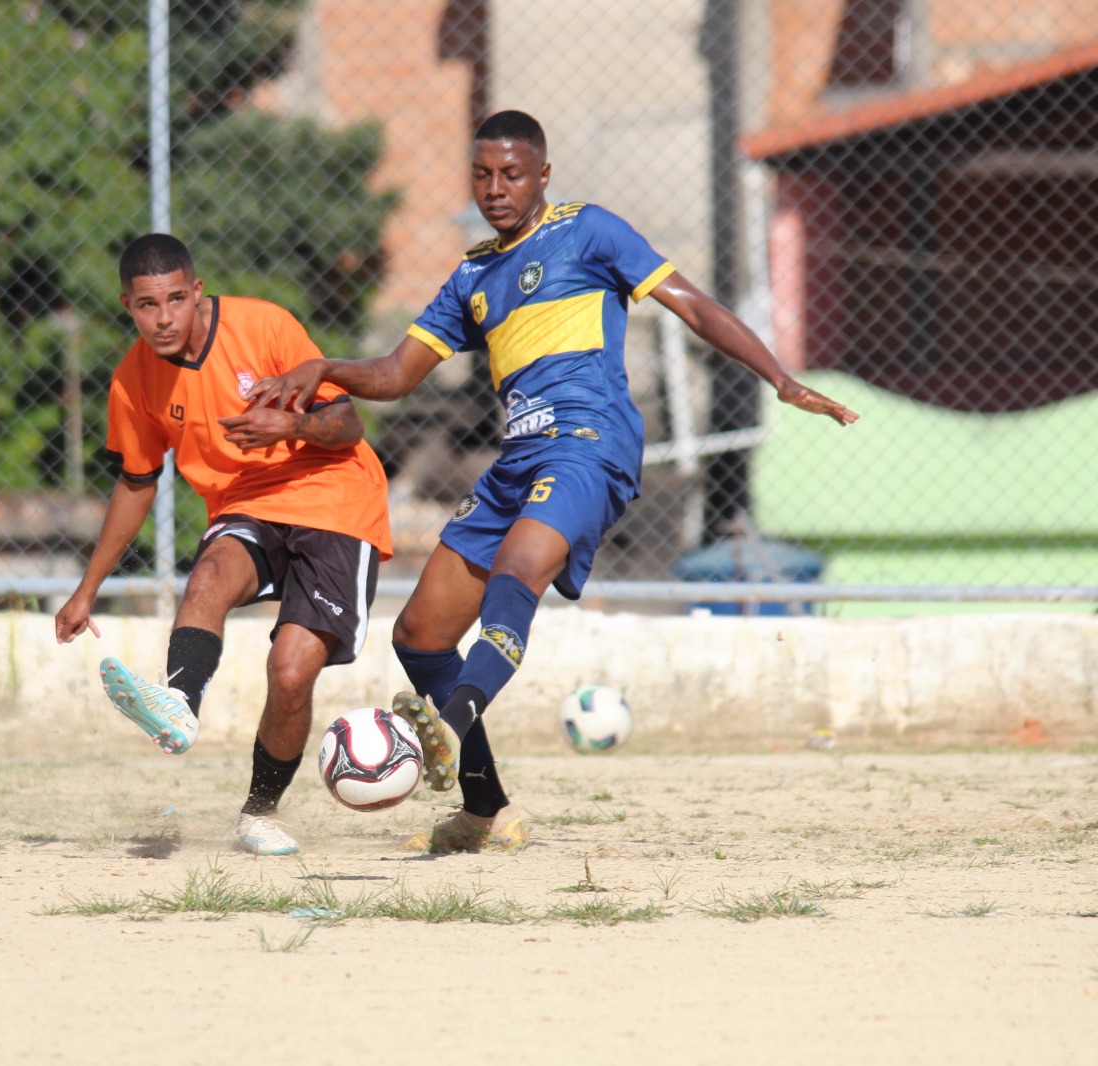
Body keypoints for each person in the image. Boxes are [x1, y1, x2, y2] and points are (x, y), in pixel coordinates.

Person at [248, 110, 859, 854]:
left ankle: (450, 721)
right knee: (421, 634)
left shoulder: (589, 231)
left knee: (517, 570)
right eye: (482, 175)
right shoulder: (472, 274)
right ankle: (484, 811)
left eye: (511, 174)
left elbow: (693, 304)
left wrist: (780, 378)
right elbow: (396, 374)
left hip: (589, 444)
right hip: (516, 460)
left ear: (542, 175)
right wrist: (323, 368)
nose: (495, 189)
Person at [53, 233, 393, 857]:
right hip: (246, 504)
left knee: (289, 673)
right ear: (127, 305)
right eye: (147, 305)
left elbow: (348, 425)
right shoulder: (132, 381)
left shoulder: (264, 326)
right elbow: (136, 483)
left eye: (175, 300)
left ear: (197, 291)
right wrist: (86, 589)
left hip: (334, 498)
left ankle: (259, 813)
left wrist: (290, 424)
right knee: (210, 572)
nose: (163, 318)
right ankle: (179, 705)